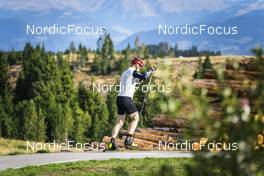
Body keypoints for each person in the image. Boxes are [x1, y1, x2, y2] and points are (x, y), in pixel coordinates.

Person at [108, 56, 156, 150]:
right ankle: (128, 140)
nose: (140, 68)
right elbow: (143, 76)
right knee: (135, 118)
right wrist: (150, 70)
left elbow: (135, 80)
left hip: (119, 98)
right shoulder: (131, 71)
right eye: (140, 66)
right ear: (136, 64)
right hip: (126, 98)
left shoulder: (125, 72)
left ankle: (112, 143)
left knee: (120, 121)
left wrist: (139, 79)